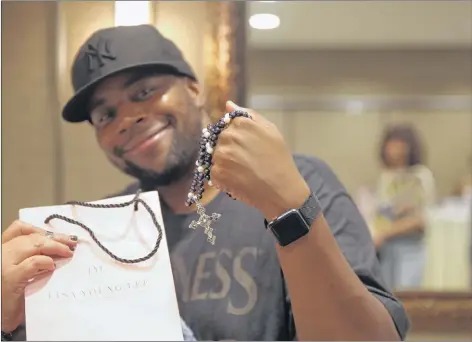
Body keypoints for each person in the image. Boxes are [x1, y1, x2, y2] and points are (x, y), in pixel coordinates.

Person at [1, 25, 409, 341]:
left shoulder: (301, 180)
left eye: (143, 91)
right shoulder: (100, 230)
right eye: (106, 115)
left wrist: (287, 206)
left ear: (194, 89)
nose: (127, 119)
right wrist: (8, 320)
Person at [372, 124, 435, 290]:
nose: (394, 150)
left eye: (400, 144)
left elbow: (419, 220)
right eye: (391, 144)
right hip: (386, 250)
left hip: (410, 248)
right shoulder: (386, 176)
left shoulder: (419, 176)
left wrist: (385, 233)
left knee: (407, 296)